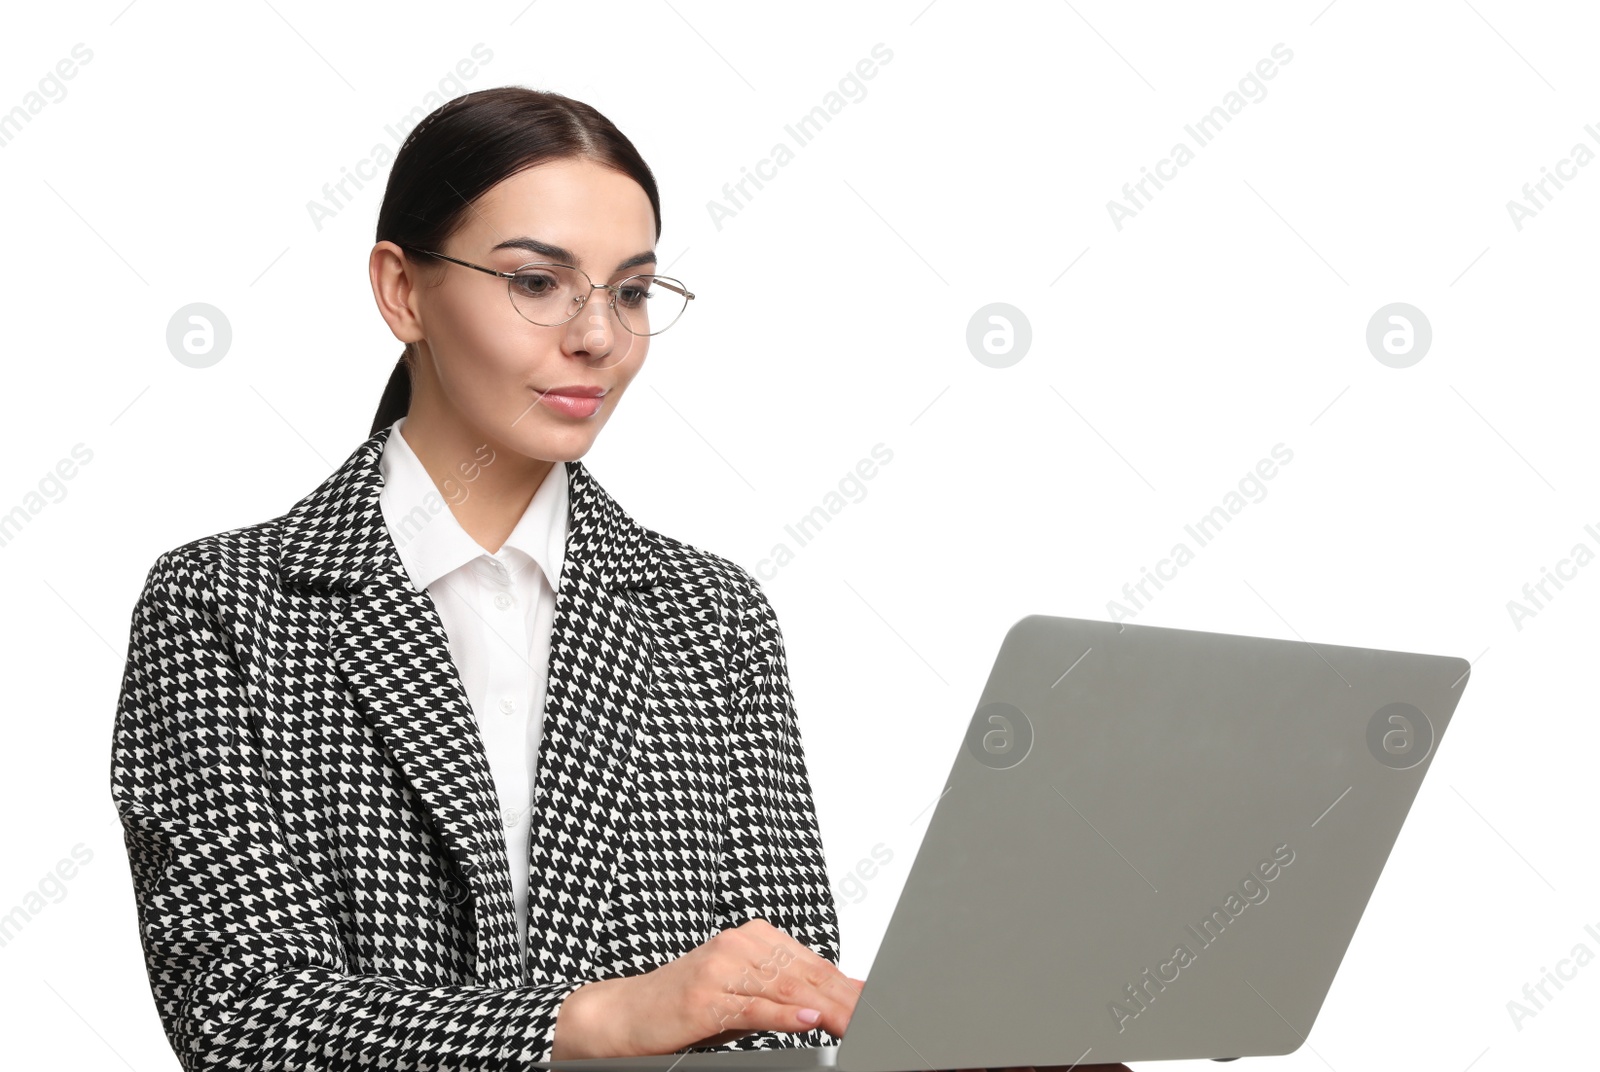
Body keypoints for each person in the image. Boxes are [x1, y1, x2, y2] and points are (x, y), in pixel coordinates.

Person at [108, 85, 1129, 1072]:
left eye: (632, 290)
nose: (598, 335)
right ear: (401, 289)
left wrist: (929, 1050)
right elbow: (239, 1015)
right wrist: (587, 1021)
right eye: (537, 281)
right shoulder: (225, 607)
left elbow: (779, 1012)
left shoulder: (710, 616)